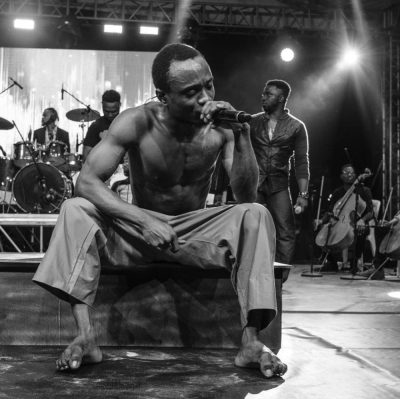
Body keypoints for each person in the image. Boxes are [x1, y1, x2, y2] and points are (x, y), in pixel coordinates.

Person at [33, 43, 287, 378]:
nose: (205, 97)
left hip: (193, 236)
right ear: (163, 96)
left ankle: (251, 342)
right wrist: (142, 220)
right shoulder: (137, 121)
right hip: (137, 234)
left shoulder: (224, 127)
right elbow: (87, 182)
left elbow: (245, 194)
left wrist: (242, 137)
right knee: (74, 208)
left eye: (209, 85)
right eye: (191, 92)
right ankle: (86, 337)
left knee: (256, 213)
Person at [250, 79, 309, 265]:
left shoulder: (296, 126)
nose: (263, 97)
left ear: (281, 98)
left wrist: (303, 194)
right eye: (263, 93)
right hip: (254, 183)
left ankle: (279, 276)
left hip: (279, 185)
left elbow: (301, 162)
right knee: (249, 227)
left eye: (268, 94)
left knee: (285, 231)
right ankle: (249, 271)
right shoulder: (252, 121)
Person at [322, 164, 374, 274]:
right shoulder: (337, 192)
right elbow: (330, 211)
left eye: (351, 172)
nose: (349, 174)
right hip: (340, 222)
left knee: (360, 230)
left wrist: (362, 220)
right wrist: (322, 221)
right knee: (322, 228)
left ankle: (355, 262)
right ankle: (331, 262)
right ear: (341, 176)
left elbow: (370, 212)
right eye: (345, 172)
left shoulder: (364, 191)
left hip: (357, 222)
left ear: (355, 175)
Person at [82, 89, 121, 162]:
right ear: (102, 105)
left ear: (119, 105)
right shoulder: (95, 126)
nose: (110, 115)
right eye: (106, 111)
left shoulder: (126, 123)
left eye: (114, 111)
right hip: (101, 166)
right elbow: (86, 155)